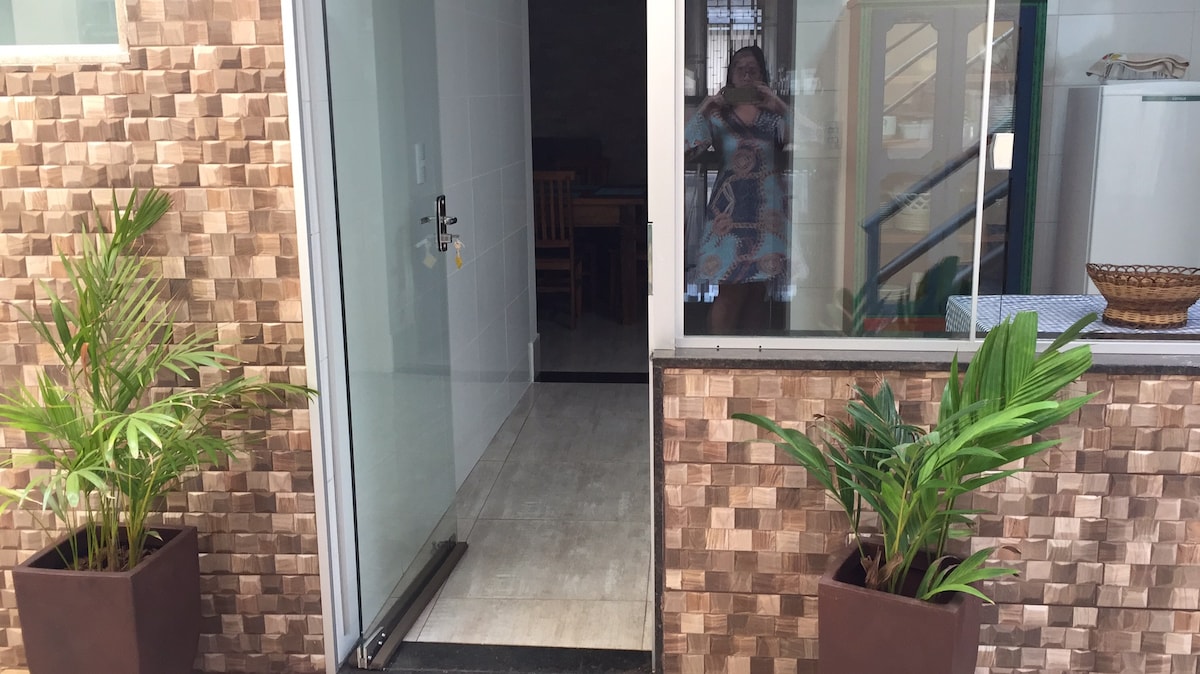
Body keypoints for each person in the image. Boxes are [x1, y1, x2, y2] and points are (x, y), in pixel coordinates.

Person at [685, 45, 791, 334]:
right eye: (739, 68)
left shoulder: (774, 117)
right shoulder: (719, 116)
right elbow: (684, 152)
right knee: (729, 295)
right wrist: (705, 109)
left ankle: (748, 366)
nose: (746, 74)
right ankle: (715, 362)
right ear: (730, 76)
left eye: (752, 69)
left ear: (762, 75)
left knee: (757, 295)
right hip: (728, 216)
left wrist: (779, 105)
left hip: (767, 215)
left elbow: (812, 143)